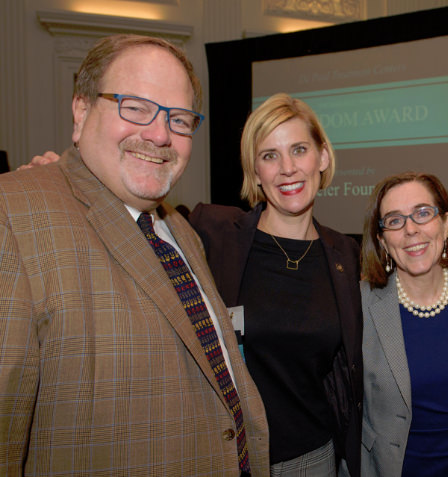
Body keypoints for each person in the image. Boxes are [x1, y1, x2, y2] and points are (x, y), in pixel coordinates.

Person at [0, 35, 269, 476]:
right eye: (136, 107)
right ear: (81, 111)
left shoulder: (180, 230)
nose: (160, 134)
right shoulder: (13, 215)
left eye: (178, 119)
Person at [188, 93, 362, 477]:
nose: (287, 168)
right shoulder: (212, 235)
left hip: (312, 458)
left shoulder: (345, 254)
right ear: (255, 170)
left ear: (323, 157)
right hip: (227, 457)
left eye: (299, 149)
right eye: (270, 155)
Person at [360, 171, 448, 476]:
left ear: (446, 224)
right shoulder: (359, 307)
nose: (411, 230)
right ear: (382, 239)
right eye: (394, 220)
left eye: (423, 213)